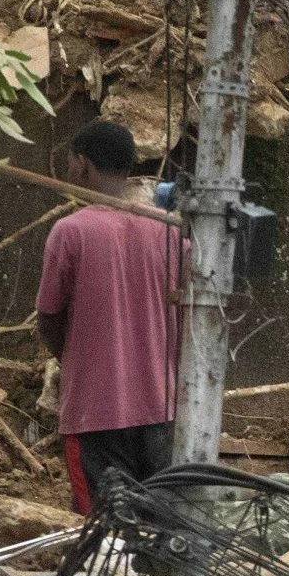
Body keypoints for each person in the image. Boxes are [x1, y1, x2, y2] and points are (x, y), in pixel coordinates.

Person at [36, 120, 183, 514]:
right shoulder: (170, 233)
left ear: (82, 165)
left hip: (94, 414)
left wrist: (68, 357)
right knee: (165, 529)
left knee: (104, 533)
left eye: (70, 163)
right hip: (163, 411)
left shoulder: (70, 232)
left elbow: (48, 317)